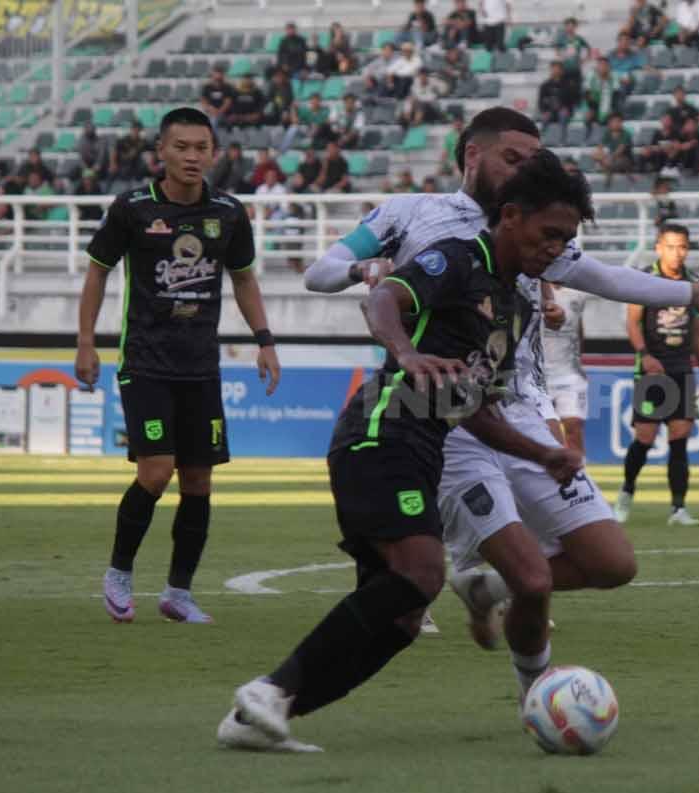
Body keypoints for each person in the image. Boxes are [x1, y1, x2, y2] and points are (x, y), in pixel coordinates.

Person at [296, 108, 699, 714]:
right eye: (513, 158)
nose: (526, 168)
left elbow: (605, 277)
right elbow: (319, 272)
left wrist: (688, 290)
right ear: (472, 156)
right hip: (447, 411)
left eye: (534, 159)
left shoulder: (536, 225)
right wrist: (360, 269)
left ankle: (487, 586)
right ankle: (535, 685)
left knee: (610, 562)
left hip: (522, 405)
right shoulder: (410, 215)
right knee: (456, 570)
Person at [225, 150, 590, 753]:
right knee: (421, 574)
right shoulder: (455, 258)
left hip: (423, 448)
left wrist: (542, 453)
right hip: (381, 430)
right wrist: (405, 352)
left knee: (399, 617)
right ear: (511, 216)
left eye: (567, 239)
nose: (555, 248)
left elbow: (474, 407)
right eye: (549, 233)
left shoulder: (513, 306)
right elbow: (383, 300)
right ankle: (268, 692)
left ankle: (259, 716)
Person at [77, 108, 281, 627]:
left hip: (200, 368)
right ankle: (119, 574)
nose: (193, 157)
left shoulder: (230, 213)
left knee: (198, 481)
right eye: (182, 147)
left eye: (202, 148)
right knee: (156, 470)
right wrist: (85, 342)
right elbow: (98, 273)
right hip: (145, 363)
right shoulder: (132, 209)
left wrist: (265, 340)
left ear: (214, 154)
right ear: (161, 153)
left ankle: (178, 592)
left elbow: (244, 280)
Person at [615, 224, 699, 527]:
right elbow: (632, 323)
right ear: (658, 248)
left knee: (679, 439)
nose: (676, 253)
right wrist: (645, 355)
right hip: (652, 370)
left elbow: (697, 331)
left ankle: (678, 509)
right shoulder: (644, 279)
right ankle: (626, 492)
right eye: (670, 246)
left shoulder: (692, 282)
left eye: (682, 246)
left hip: (682, 368)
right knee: (645, 437)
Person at [542, 281, 589, 453]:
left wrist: (579, 360)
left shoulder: (577, 292)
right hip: (538, 375)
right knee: (545, 430)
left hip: (568, 373)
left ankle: (578, 474)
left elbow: (579, 328)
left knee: (573, 425)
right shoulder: (533, 288)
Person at [593, 111, 634, 185]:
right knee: (596, 156)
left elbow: (620, 150)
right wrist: (599, 154)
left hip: (625, 159)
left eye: (617, 121)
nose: (614, 124)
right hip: (612, 159)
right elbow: (600, 147)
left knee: (613, 162)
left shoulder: (626, 134)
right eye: (612, 122)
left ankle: (607, 175)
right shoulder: (608, 133)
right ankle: (607, 168)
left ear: (621, 123)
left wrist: (609, 158)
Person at [538, 61, 572, 131]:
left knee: (563, 115)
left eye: (557, 69)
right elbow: (541, 101)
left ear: (561, 70)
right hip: (549, 110)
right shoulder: (545, 85)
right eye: (553, 69)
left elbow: (570, 100)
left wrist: (567, 108)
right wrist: (544, 111)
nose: (555, 71)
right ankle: (542, 138)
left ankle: (562, 139)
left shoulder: (567, 85)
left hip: (562, 110)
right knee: (545, 117)